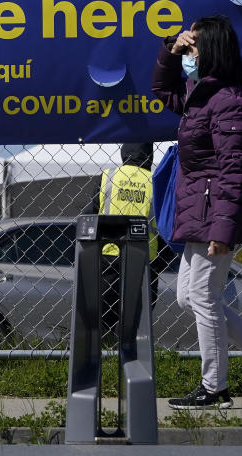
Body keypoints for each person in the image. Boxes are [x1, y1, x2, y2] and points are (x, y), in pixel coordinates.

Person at [152, 14, 242, 410]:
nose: (187, 52)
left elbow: (233, 172)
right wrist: (168, 50)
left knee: (204, 297)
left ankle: (215, 387)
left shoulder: (230, 102)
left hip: (217, 216)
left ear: (211, 50)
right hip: (200, 211)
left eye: (192, 46)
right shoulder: (199, 96)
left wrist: (223, 230)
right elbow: (161, 89)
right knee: (186, 297)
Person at [82, 142, 160, 337]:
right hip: (144, 259)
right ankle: (132, 354)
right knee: (138, 320)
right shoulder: (156, 181)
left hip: (109, 256)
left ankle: (105, 352)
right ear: (149, 156)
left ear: (124, 154)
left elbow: (91, 212)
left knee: (103, 318)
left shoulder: (108, 176)